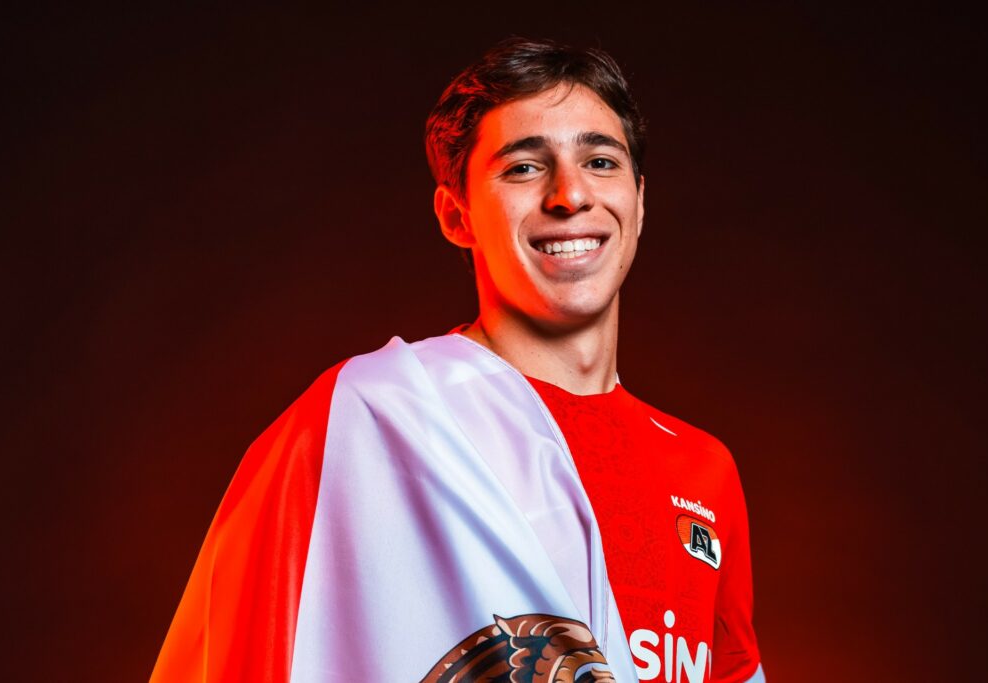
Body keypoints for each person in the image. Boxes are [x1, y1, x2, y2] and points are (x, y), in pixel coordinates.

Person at [152, 38, 764, 683]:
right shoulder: (373, 419)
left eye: (600, 161)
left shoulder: (704, 470)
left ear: (638, 201)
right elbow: (254, 649)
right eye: (523, 168)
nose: (570, 194)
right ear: (456, 215)